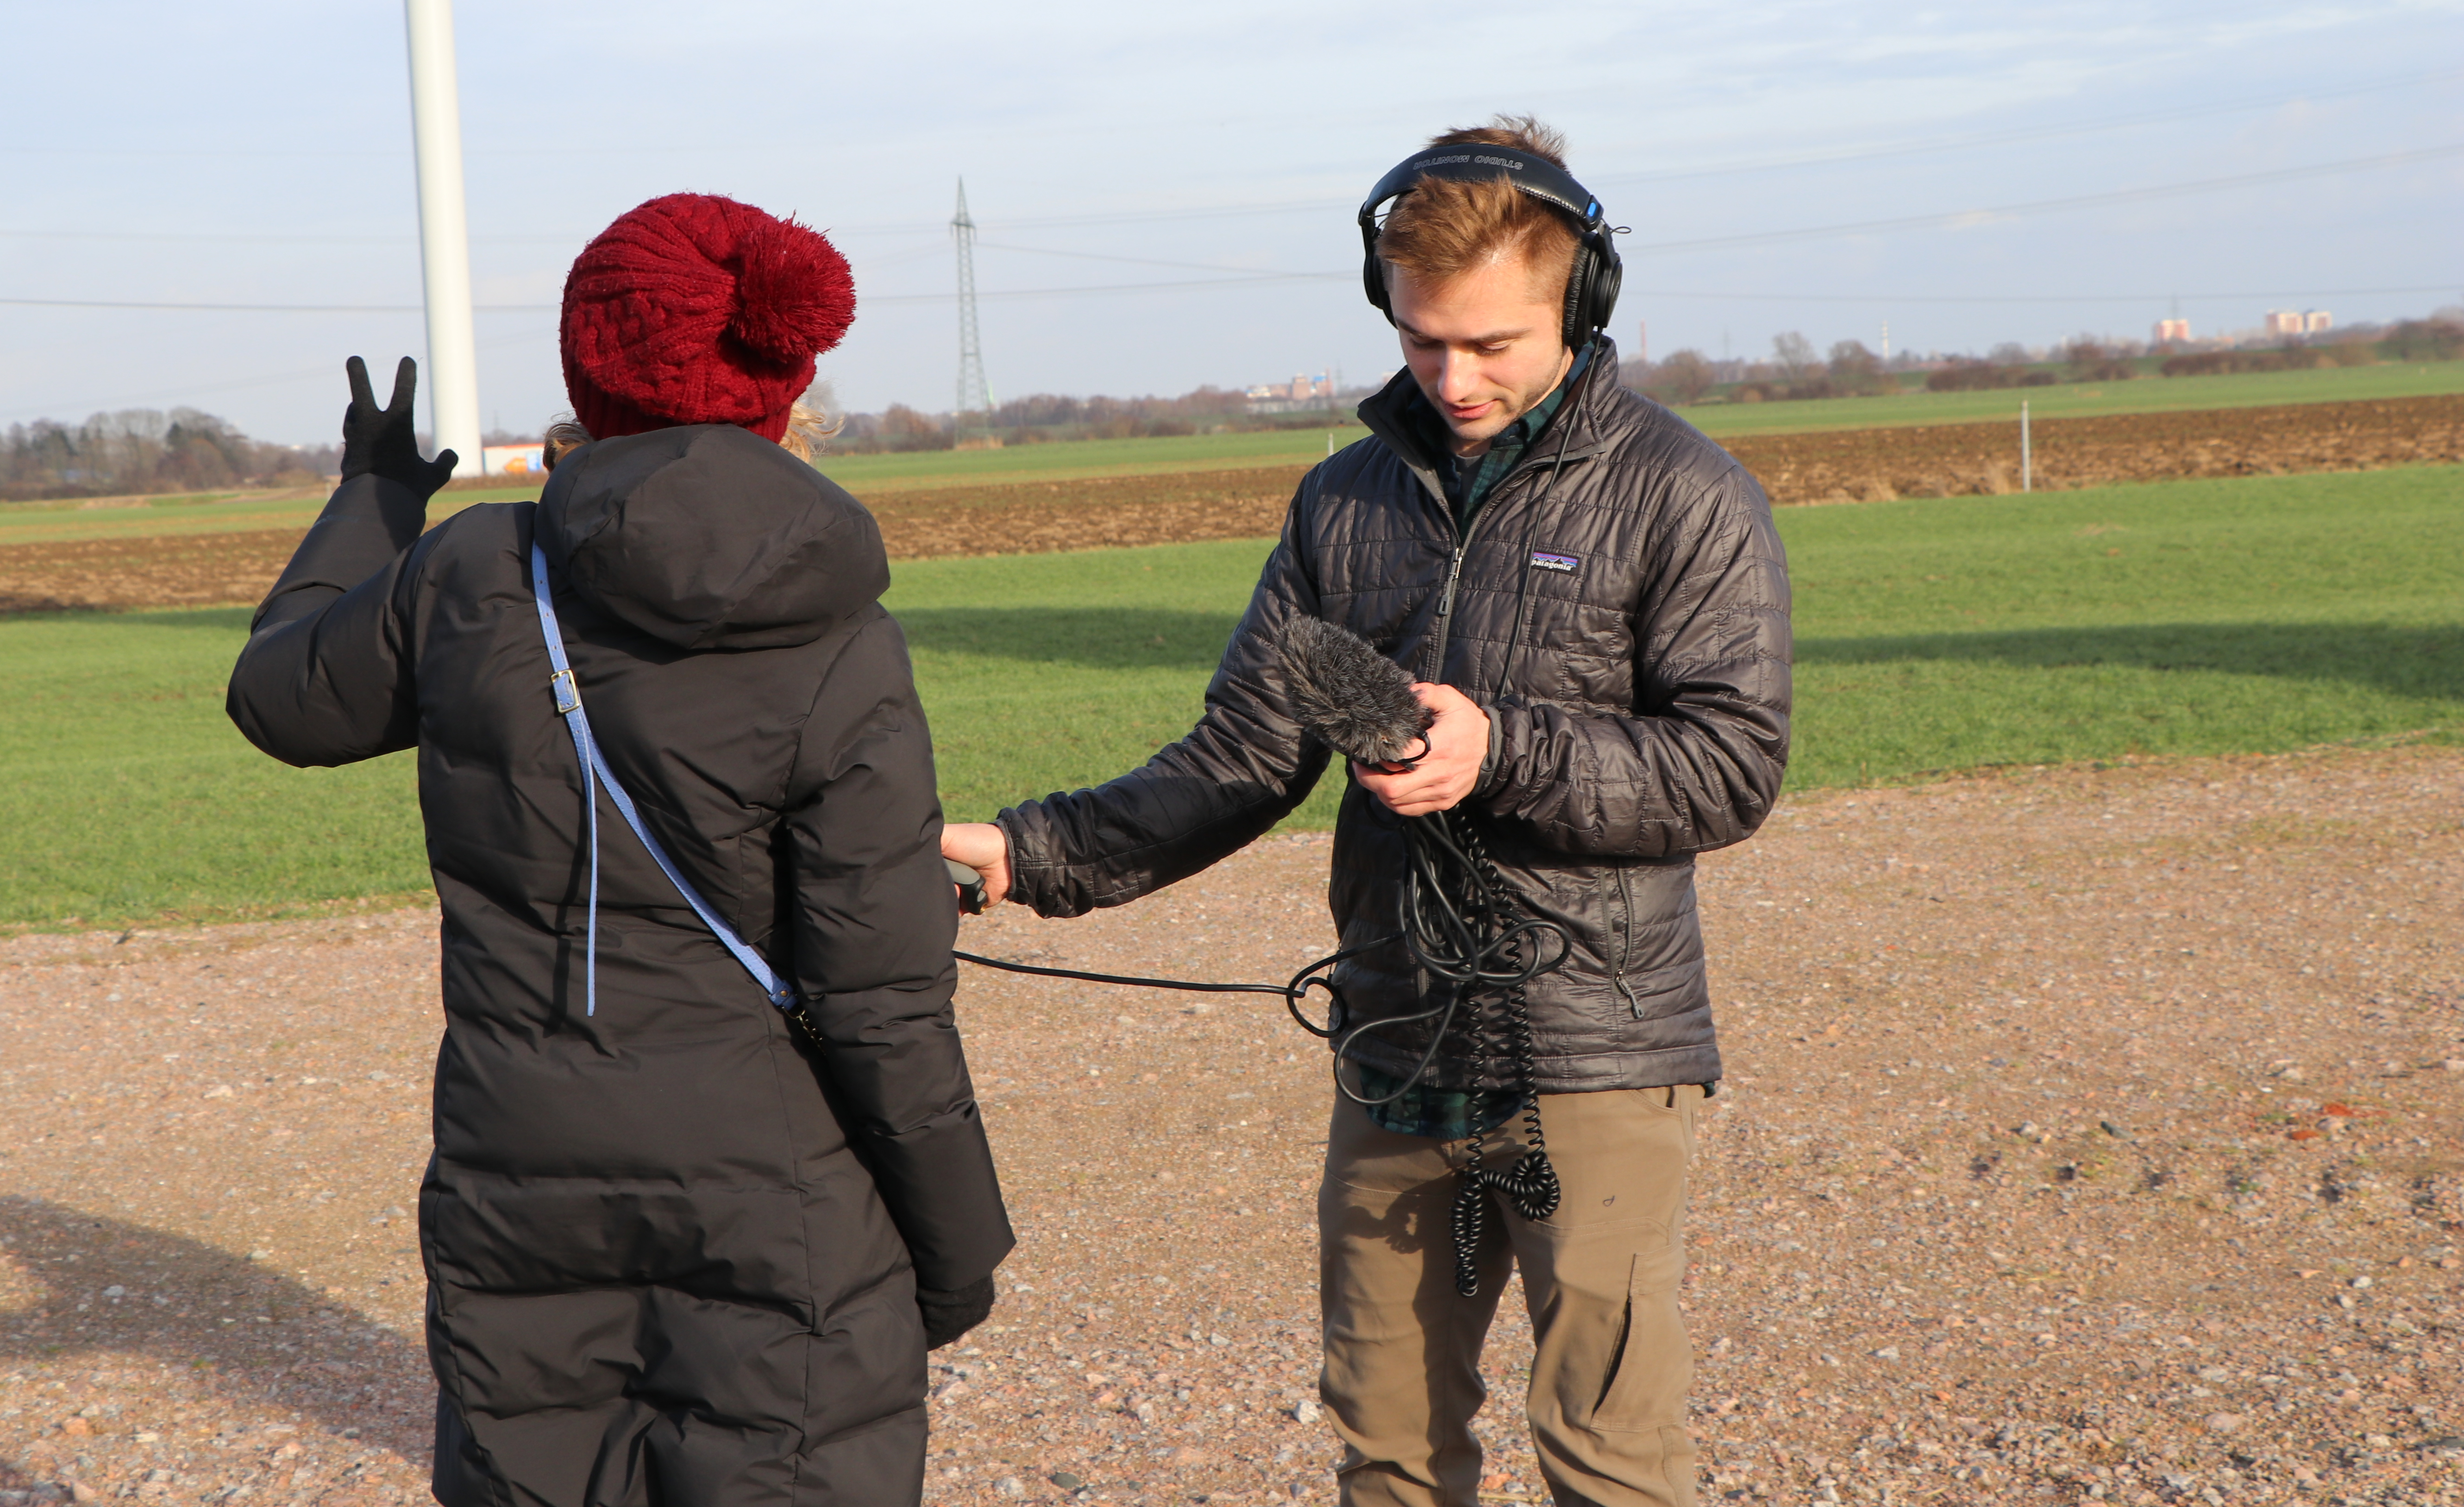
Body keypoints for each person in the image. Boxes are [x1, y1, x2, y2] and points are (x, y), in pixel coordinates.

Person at [940, 119, 1790, 1507]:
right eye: (1422, 340)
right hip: (1396, 1042)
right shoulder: (1345, 504)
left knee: (1608, 1456)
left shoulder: (1684, 495)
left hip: (1596, 1056)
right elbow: (1242, 752)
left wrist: (1501, 751)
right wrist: (1029, 855)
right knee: (1388, 1448)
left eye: (1495, 344)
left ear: (1584, 301)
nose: (1454, 378)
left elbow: (1731, 765)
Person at [228, 192, 1015, 1507]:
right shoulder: (839, 626)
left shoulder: (472, 575)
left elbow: (278, 696)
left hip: (519, 1170)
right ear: (784, 378)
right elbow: (883, 1001)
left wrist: (372, 499)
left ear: (589, 364)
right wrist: (953, 1249)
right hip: (780, 1184)